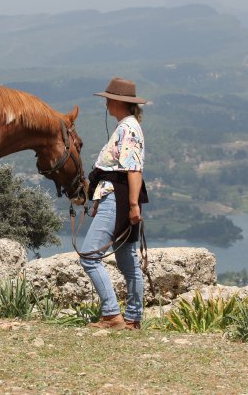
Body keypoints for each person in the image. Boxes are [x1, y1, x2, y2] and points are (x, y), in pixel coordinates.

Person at [80, 77, 147, 330]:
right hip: (117, 198)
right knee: (128, 261)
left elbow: (133, 169)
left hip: (117, 200)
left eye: (109, 98)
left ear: (118, 102)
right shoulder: (128, 126)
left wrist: (132, 205)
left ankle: (111, 314)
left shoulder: (127, 128)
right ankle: (132, 318)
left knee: (89, 256)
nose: (106, 103)